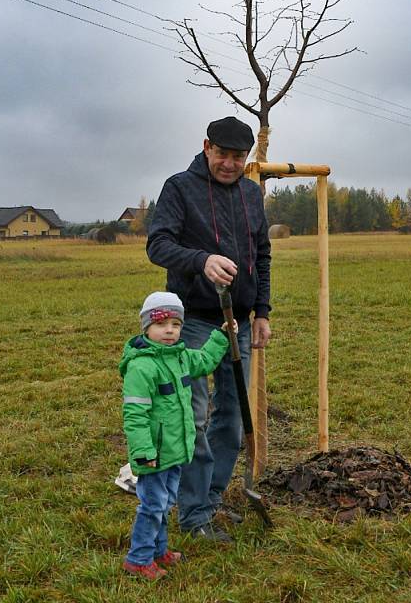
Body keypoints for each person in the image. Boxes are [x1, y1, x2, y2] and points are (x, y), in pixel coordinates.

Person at [146, 116, 271, 542]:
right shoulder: (179, 188)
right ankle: (194, 515)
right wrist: (201, 260)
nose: (231, 164)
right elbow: (158, 244)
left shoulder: (252, 195)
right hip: (196, 322)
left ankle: (211, 501)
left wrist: (263, 312)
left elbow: (262, 255)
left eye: (239, 157)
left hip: (238, 322)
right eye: (223, 154)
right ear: (206, 147)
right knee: (194, 417)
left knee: (232, 419)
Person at [120, 291, 229, 579]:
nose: (170, 330)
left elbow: (205, 361)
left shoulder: (180, 357)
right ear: (146, 327)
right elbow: (135, 416)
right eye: (162, 324)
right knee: (153, 506)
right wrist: (143, 452)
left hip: (174, 451)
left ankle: (160, 551)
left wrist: (221, 336)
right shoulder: (142, 367)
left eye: (176, 325)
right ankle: (138, 559)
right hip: (154, 453)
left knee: (166, 503)